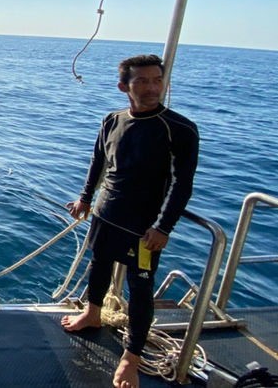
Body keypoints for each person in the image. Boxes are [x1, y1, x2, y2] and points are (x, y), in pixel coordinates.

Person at [61, 54, 199, 388]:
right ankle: (92, 314)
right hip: (107, 214)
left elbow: (183, 184)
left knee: (140, 289)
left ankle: (130, 358)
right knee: (98, 265)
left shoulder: (179, 128)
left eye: (157, 80)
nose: (152, 88)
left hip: (144, 228)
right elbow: (98, 161)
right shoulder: (112, 120)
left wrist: (164, 227)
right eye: (142, 81)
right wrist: (85, 198)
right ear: (124, 86)